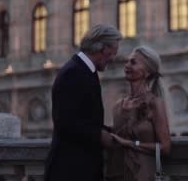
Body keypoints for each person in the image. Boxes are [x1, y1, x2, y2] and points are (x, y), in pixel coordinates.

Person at [45, 24, 122, 181]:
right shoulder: (73, 72)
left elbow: (83, 118)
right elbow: (65, 122)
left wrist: (109, 130)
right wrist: (100, 135)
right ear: (101, 48)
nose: (113, 58)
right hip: (70, 170)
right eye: (112, 52)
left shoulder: (84, 71)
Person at [106, 46, 172, 181]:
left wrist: (131, 143)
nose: (127, 65)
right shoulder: (118, 105)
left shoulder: (154, 103)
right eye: (127, 61)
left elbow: (165, 147)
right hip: (117, 173)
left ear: (147, 72)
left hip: (143, 175)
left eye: (133, 62)